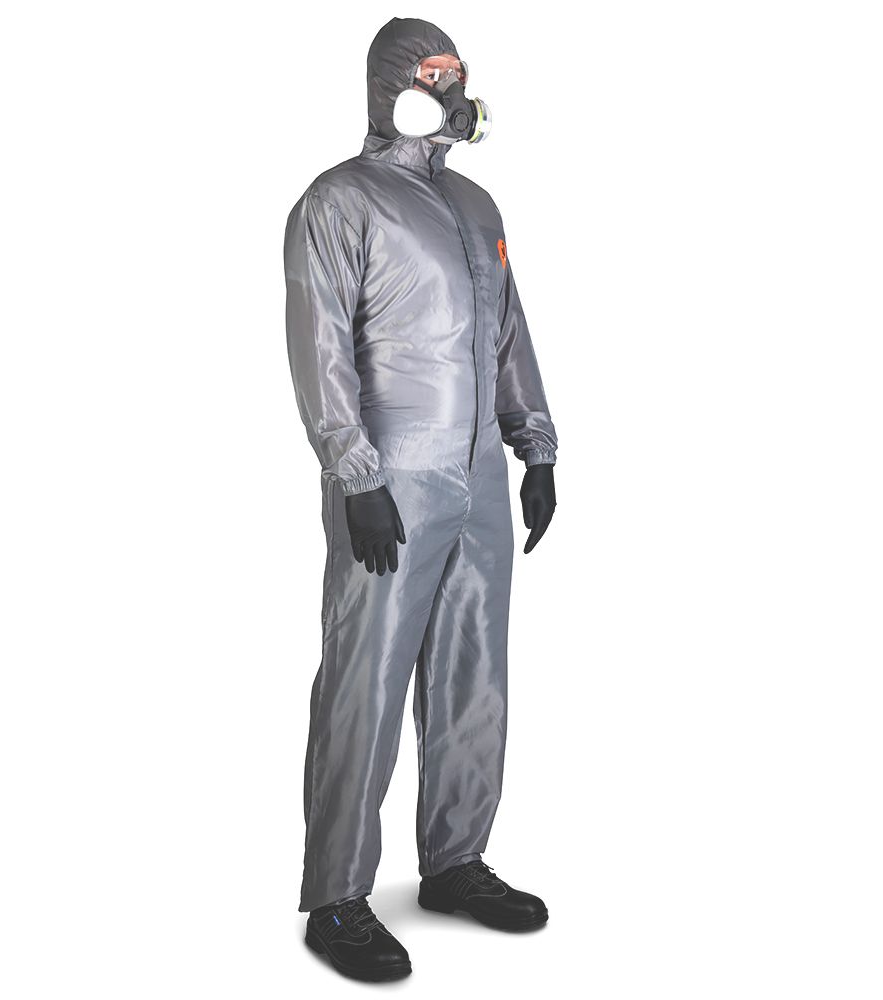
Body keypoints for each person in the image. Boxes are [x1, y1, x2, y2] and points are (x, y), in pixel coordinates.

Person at [284, 18, 559, 982]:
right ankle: (336, 897)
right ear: (392, 85)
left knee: (474, 673)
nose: (449, 91)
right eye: (431, 75)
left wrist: (535, 447)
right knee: (365, 679)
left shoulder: (476, 204)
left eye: (457, 75)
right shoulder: (339, 201)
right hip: (391, 475)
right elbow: (319, 347)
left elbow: (508, 333)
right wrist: (353, 474)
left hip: (478, 476)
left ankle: (454, 861)